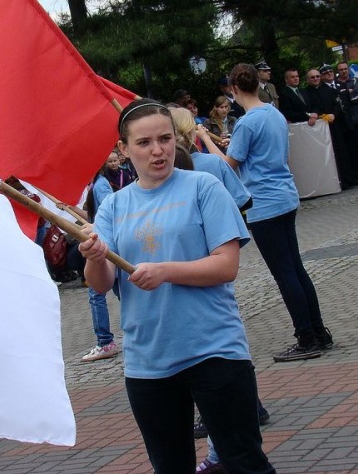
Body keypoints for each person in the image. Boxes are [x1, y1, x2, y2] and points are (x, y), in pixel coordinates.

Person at [80, 99, 275, 474]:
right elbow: (101, 283)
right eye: (144, 142)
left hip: (214, 348)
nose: (158, 150)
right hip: (148, 360)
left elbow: (226, 265)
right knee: (170, 467)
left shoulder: (204, 187)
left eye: (165, 139)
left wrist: (165, 271)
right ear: (123, 148)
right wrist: (94, 257)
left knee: (244, 462)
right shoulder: (114, 207)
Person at [199, 64, 333, 362]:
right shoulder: (273, 113)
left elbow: (227, 165)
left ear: (234, 89)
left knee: (284, 273)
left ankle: (306, 337)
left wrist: (206, 139)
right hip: (285, 195)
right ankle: (319, 331)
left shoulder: (247, 123)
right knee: (296, 268)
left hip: (263, 203)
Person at [79, 151, 126, 363]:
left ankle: (105, 341)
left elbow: (112, 215)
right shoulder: (95, 185)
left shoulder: (100, 186)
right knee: (120, 291)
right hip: (105, 245)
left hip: (107, 247)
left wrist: (97, 227)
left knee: (98, 293)